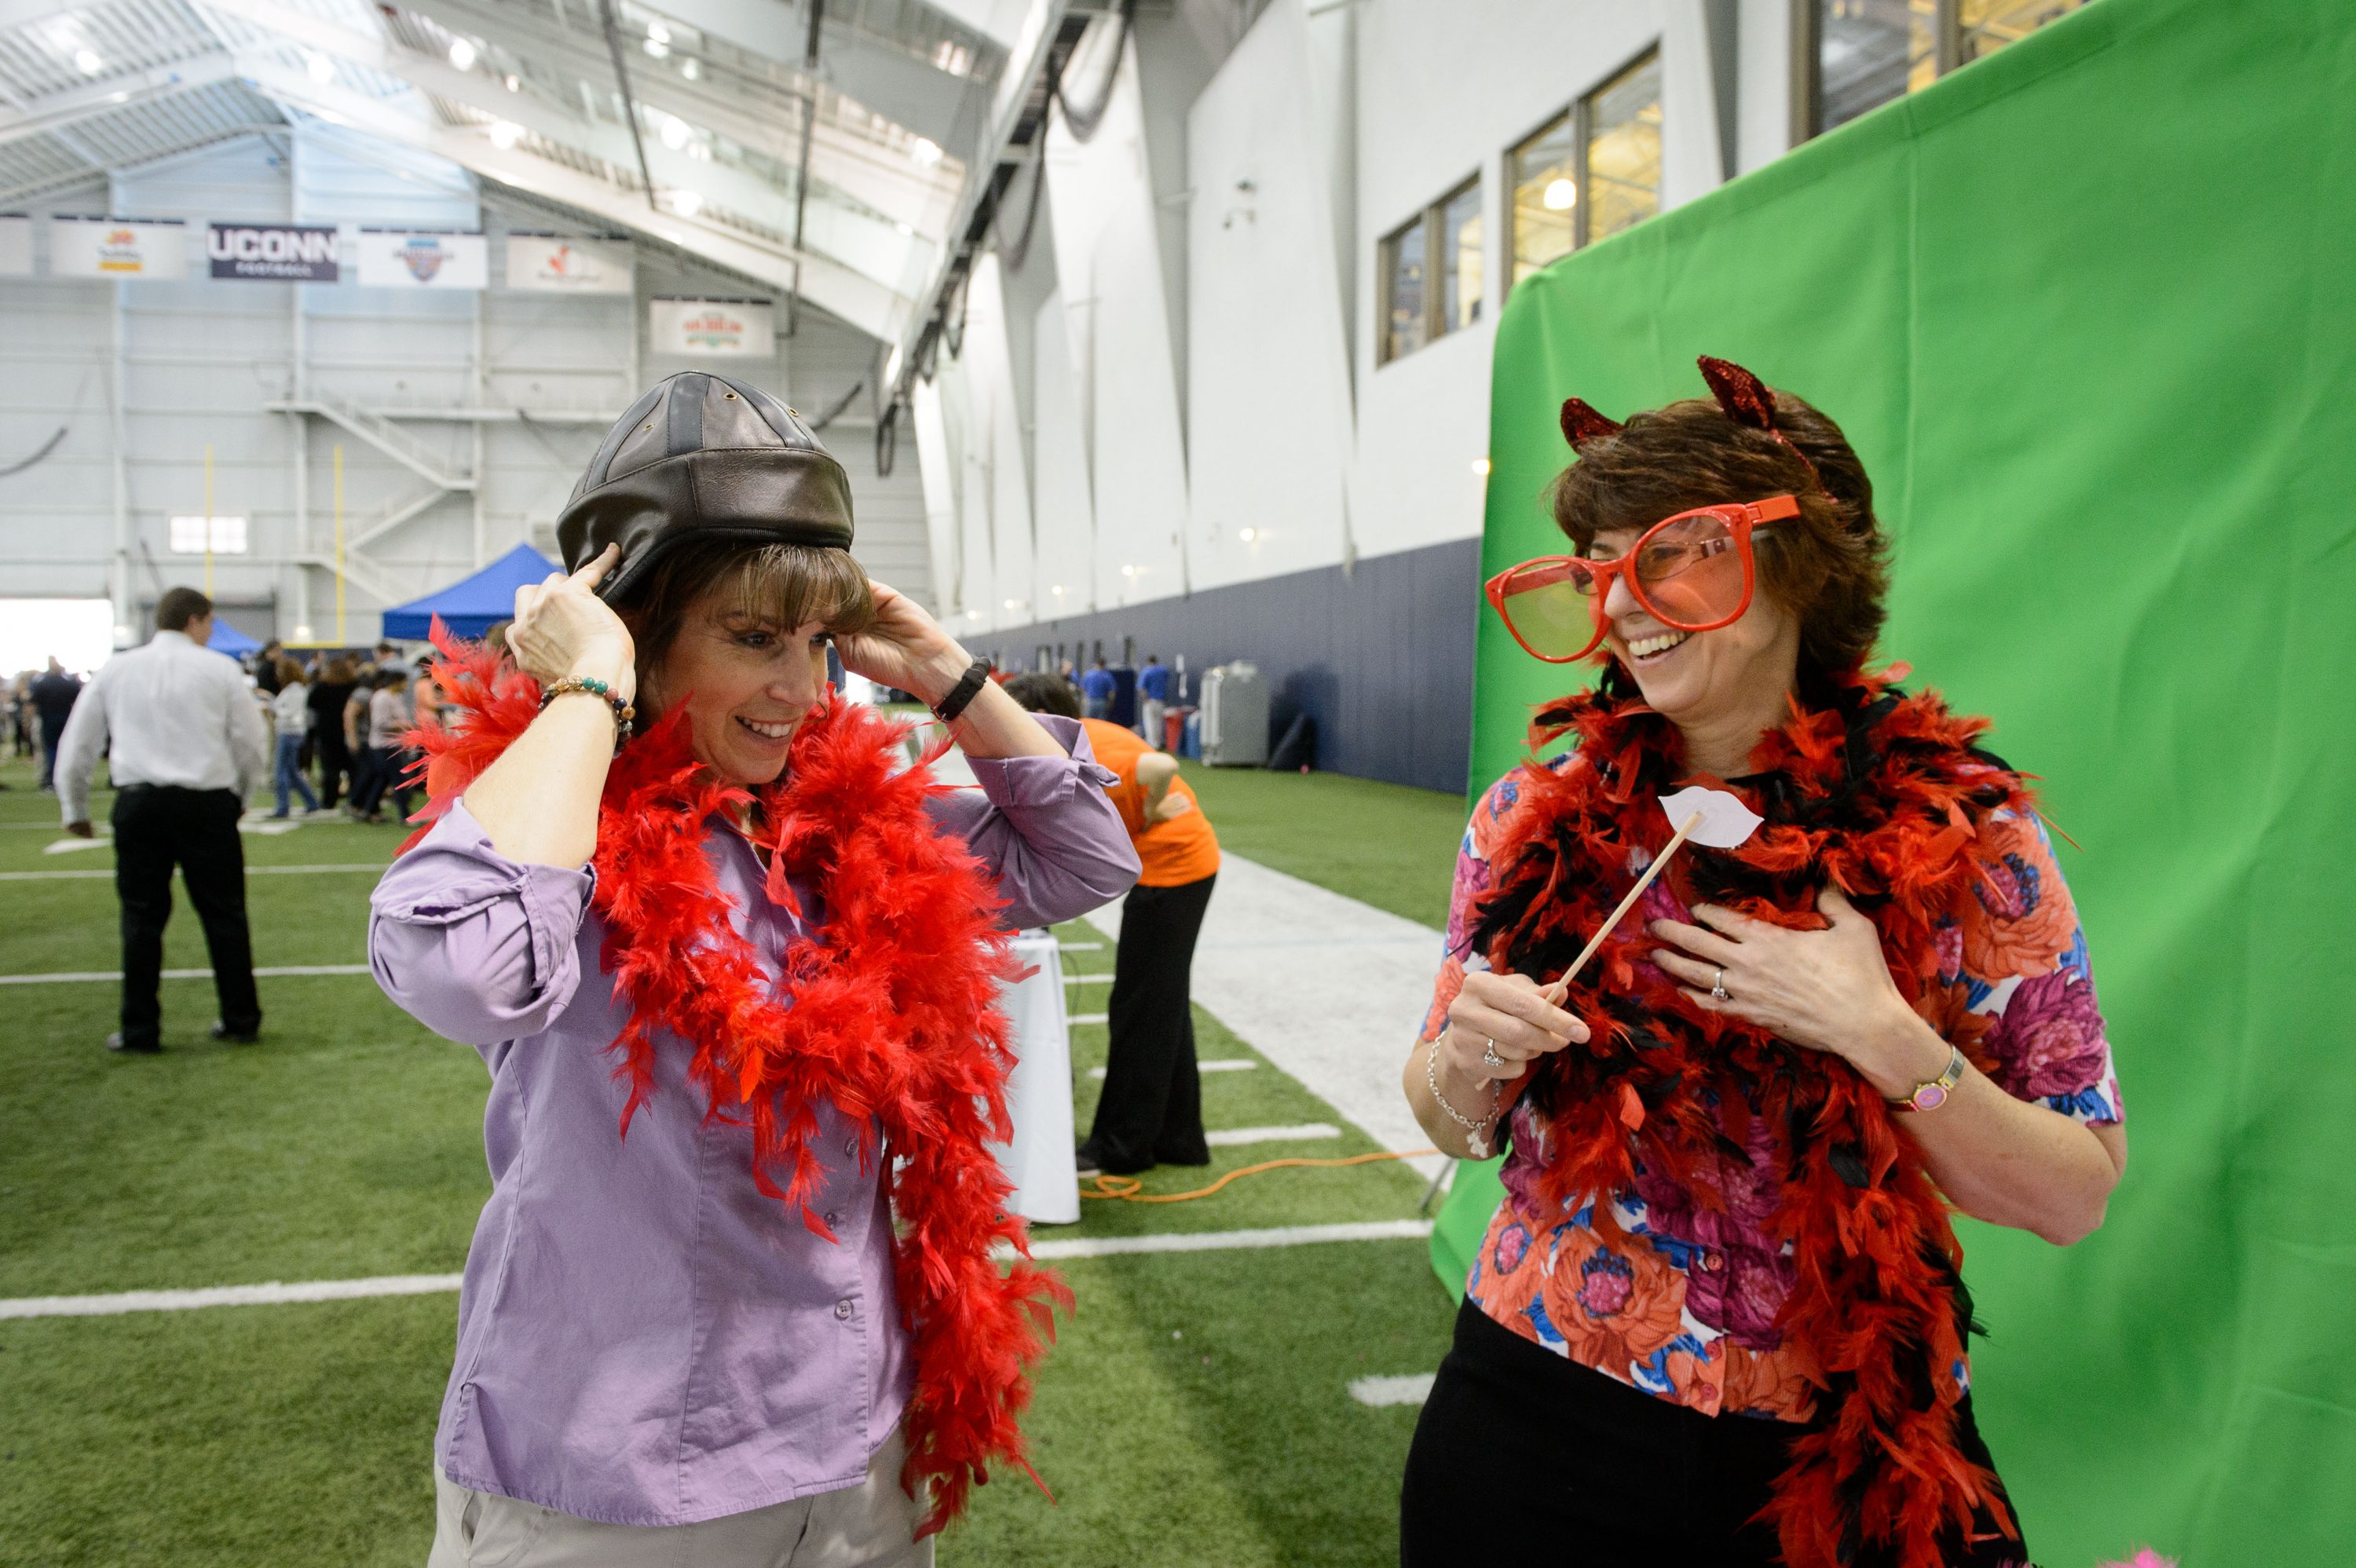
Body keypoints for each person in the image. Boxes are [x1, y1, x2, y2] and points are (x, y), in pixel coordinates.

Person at [368, 371, 1138, 1566]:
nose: (803, 689)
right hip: (622, 1481)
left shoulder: (839, 827)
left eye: (820, 644)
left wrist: (939, 664)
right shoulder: (563, 828)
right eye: (753, 638)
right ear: (633, 630)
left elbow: (1086, 856)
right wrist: (584, 692)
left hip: (853, 1459)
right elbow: (461, 964)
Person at [1397, 359, 2126, 1568]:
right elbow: (1446, 1120)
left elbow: (2072, 1192)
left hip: (1848, 1448)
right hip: (1542, 1418)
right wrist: (1471, 1056)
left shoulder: (1971, 836)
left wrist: (1881, 1033)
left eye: (1669, 553)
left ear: (1799, 562)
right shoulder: (1531, 817)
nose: (1624, 603)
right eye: (1599, 566)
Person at [1006, 671, 1220, 1178]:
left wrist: (1147, 809)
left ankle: (1123, 1146)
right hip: (1173, 868)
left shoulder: (1089, 746)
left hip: (1175, 871)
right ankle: (1179, 1137)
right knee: (1160, 1003)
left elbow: (1160, 762)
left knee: (1139, 1006)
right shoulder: (1071, 741)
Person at [55, 587, 273, 1054]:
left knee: (140, 918)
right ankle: (240, 1018)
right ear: (196, 620)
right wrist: (242, 794)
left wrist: (75, 809)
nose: (211, 632)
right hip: (206, 802)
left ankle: (139, 1029)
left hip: (139, 804)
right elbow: (251, 742)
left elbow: (78, 745)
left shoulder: (117, 668)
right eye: (210, 623)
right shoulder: (220, 669)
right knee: (225, 915)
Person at [349, 670, 417, 824]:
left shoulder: (396, 697)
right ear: (397, 681)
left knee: (384, 778)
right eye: (404, 681)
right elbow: (380, 723)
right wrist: (403, 726)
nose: (407, 685)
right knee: (398, 779)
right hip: (383, 745)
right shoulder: (382, 697)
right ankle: (404, 815)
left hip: (395, 744)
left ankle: (367, 808)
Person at [266, 656, 320, 818]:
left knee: (280, 771)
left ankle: (283, 807)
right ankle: (312, 802)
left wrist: (274, 709)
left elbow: (292, 713)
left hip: (289, 732)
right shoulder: (294, 689)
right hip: (292, 732)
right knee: (292, 771)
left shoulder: (295, 691)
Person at [306, 657, 359, 810]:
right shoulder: (353, 686)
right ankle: (354, 798)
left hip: (327, 732)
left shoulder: (321, 687)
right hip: (348, 730)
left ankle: (329, 800)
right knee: (352, 768)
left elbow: (311, 707)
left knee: (330, 769)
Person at [31, 656, 83, 790]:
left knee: (50, 750)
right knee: (65, 750)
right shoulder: (69, 681)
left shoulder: (41, 682)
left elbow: (34, 702)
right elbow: (78, 699)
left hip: (48, 720)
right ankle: (65, 778)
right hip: (65, 719)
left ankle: (51, 779)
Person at [1136, 653, 1172, 747]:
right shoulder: (1163, 670)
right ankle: (1159, 742)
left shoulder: (1146, 671)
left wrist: (1145, 699)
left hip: (1150, 700)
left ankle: (1152, 744)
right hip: (1161, 700)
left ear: (1148, 661)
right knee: (1159, 723)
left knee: (1150, 723)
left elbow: (1141, 688)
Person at [1078, 656, 1115, 720]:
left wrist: (1084, 699)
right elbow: (1112, 692)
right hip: (1102, 702)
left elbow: (1082, 688)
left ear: (1096, 664)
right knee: (1101, 722)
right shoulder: (1107, 676)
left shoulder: (1088, 674)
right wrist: (1110, 703)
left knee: (1089, 721)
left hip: (1090, 701)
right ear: (1104, 665)